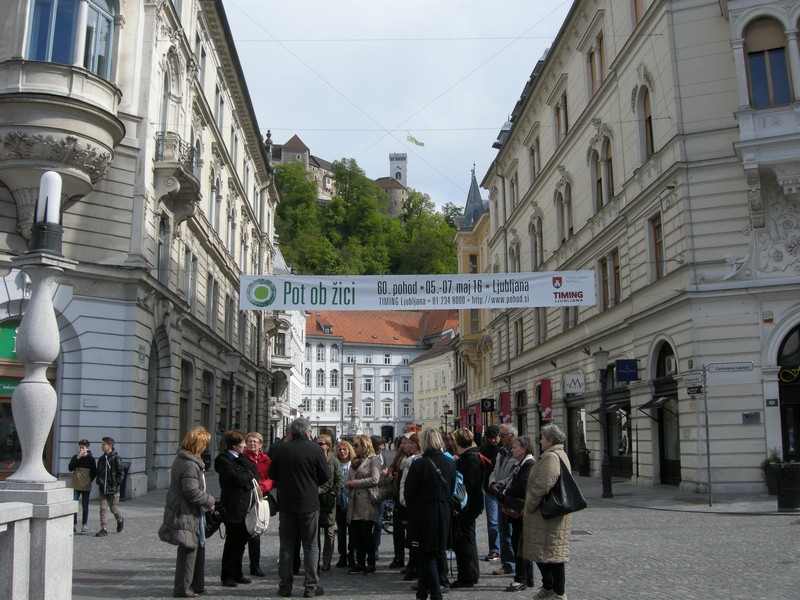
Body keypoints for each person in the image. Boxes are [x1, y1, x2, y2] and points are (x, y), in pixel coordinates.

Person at [270, 417, 330, 598]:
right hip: (309, 503)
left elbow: (272, 475)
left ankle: (285, 587)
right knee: (310, 546)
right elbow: (325, 476)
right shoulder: (315, 449)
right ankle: (311, 587)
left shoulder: (281, 449)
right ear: (307, 432)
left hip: (286, 503)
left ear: (292, 431)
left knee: (286, 546)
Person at [158, 427, 216, 598]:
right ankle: (183, 588)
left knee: (197, 546)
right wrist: (210, 501)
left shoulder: (186, 459)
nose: (205, 448)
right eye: (204, 444)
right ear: (197, 445)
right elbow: (192, 492)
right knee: (188, 548)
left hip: (189, 511)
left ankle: (197, 584)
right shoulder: (189, 464)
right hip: (185, 511)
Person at [521, 424, 573, 600]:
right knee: (545, 553)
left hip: (547, 513)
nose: (540, 441)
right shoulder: (555, 454)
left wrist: (529, 505)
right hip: (547, 514)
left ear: (550, 440)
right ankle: (549, 587)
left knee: (553, 555)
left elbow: (543, 485)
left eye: (542, 438)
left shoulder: (551, 457)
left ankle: (558, 592)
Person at [405, 428, 456, 600]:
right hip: (444, 510)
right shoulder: (450, 462)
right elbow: (452, 487)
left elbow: (409, 492)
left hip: (425, 512)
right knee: (436, 551)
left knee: (427, 555)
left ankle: (435, 594)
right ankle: (422, 592)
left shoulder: (419, 464)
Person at [214, 429, 259, 588]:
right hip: (233, 506)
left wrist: (248, 475)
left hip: (246, 506)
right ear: (234, 445)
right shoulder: (224, 460)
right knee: (232, 542)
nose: (245, 445)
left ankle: (238, 573)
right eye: (242, 443)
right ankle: (227, 575)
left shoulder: (242, 457)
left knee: (241, 541)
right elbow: (236, 478)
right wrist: (248, 476)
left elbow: (255, 472)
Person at [499, 435, 536, 592]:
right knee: (519, 541)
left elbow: (522, 487)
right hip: (517, 509)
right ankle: (527, 576)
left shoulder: (529, 464)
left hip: (521, 509)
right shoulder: (519, 463)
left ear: (524, 449)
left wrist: (505, 492)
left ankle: (521, 577)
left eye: (515, 447)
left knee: (519, 542)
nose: (512, 450)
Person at [449, 428, 484, 589]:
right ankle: (471, 573)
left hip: (467, 506)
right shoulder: (469, 457)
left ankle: (467, 576)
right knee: (467, 539)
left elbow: (469, 485)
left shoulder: (470, 459)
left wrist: (459, 502)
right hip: (470, 505)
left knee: (464, 541)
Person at [345, 435, 381, 574]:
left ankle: (370, 562)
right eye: (354, 445)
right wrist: (348, 484)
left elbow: (375, 479)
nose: (354, 448)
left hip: (366, 501)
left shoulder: (373, 460)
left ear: (365, 446)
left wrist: (357, 483)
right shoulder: (354, 461)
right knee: (356, 534)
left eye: (356, 445)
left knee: (366, 533)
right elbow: (349, 478)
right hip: (354, 501)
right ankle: (360, 562)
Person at [488, 424, 518, 576]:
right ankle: (507, 563)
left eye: (503, 435)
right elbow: (495, 470)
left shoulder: (518, 452)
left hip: (512, 496)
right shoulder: (501, 452)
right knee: (503, 531)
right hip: (500, 496)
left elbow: (515, 474)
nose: (500, 438)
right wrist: (492, 483)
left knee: (515, 534)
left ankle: (519, 565)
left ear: (512, 436)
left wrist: (500, 484)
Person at [244, 431, 273, 577]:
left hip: (260, 498)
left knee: (256, 531)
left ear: (260, 444)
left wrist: (262, 487)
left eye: (255, 441)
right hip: (245, 498)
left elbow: (271, 478)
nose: (252, 444)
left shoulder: (266, 460)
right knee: (242, 533)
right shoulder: (243, 458)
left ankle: (255, 566)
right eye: (249, 441)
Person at [316, 434, 343, 571]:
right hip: (315, 500)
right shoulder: (313, 459)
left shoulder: (334, 461)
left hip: (328, 500)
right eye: (317, 443)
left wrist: (332, 494)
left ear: (328, 446)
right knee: (314, 533)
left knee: (329, 533)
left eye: (321, 444)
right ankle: (314, 561)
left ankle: (326, 561)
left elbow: (339, 480)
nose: (318, 446)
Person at [398, 432, 422, 582]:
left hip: (412, 503)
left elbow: (406, 483)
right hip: (408, 502)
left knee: (414, 538)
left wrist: (404, 499)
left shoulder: (414, 461)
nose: (407, 446)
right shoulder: (408, 460)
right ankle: (412, 565)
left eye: (411, 443)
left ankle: (414, 567)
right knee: (412, 537)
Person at [479, 425, 501, 562]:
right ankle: (494, 549)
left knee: (506, 523)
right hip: (489, 489)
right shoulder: (484, 449)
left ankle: (507, 550)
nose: (493, 440)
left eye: (495, 437)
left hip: (504, 490)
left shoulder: (504, 449)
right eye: (491, 438)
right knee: (493, 521)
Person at [95, 436, 124, 537]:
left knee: (113, 508)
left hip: (113, 489)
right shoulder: (101, 459)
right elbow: (98, 472)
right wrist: (99, 481)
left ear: (110, 446)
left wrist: (116, 483)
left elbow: (121, 473)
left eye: (104, 444)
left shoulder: (116, 458)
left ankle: (120, 519)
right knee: (103, 508)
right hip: (103, 488)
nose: (102, 446)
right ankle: (103, 528)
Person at [334, 440, 356, 568]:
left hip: (352, 501)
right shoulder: (335, 463)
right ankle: (342, 556)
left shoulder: (353, 463)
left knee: (353, 531)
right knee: (341, 531)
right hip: (339, 501)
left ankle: (352, 555)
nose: (342, 452)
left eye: (344, 449)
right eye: (340, 450)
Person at [69, 439, 97, 534]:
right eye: (80, 447)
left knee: (85, 506)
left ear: (87, 448)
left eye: (83, 448)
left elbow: (94, 472)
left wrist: (88, 480)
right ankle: (73, 525)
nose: (81, 449)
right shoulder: (75, 457)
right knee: (74, 505)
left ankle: (84, 525)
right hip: (76, 485)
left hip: (86, 486)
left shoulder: (91, 459)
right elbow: (70, 468)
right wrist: (77, 458)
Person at [371, 434, 387, 560]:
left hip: (380, 494)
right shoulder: (369, 457)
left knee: (378, 523)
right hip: (369, 493)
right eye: (382, 445)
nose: (384, 447)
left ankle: (375, 548)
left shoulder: (382, 457)